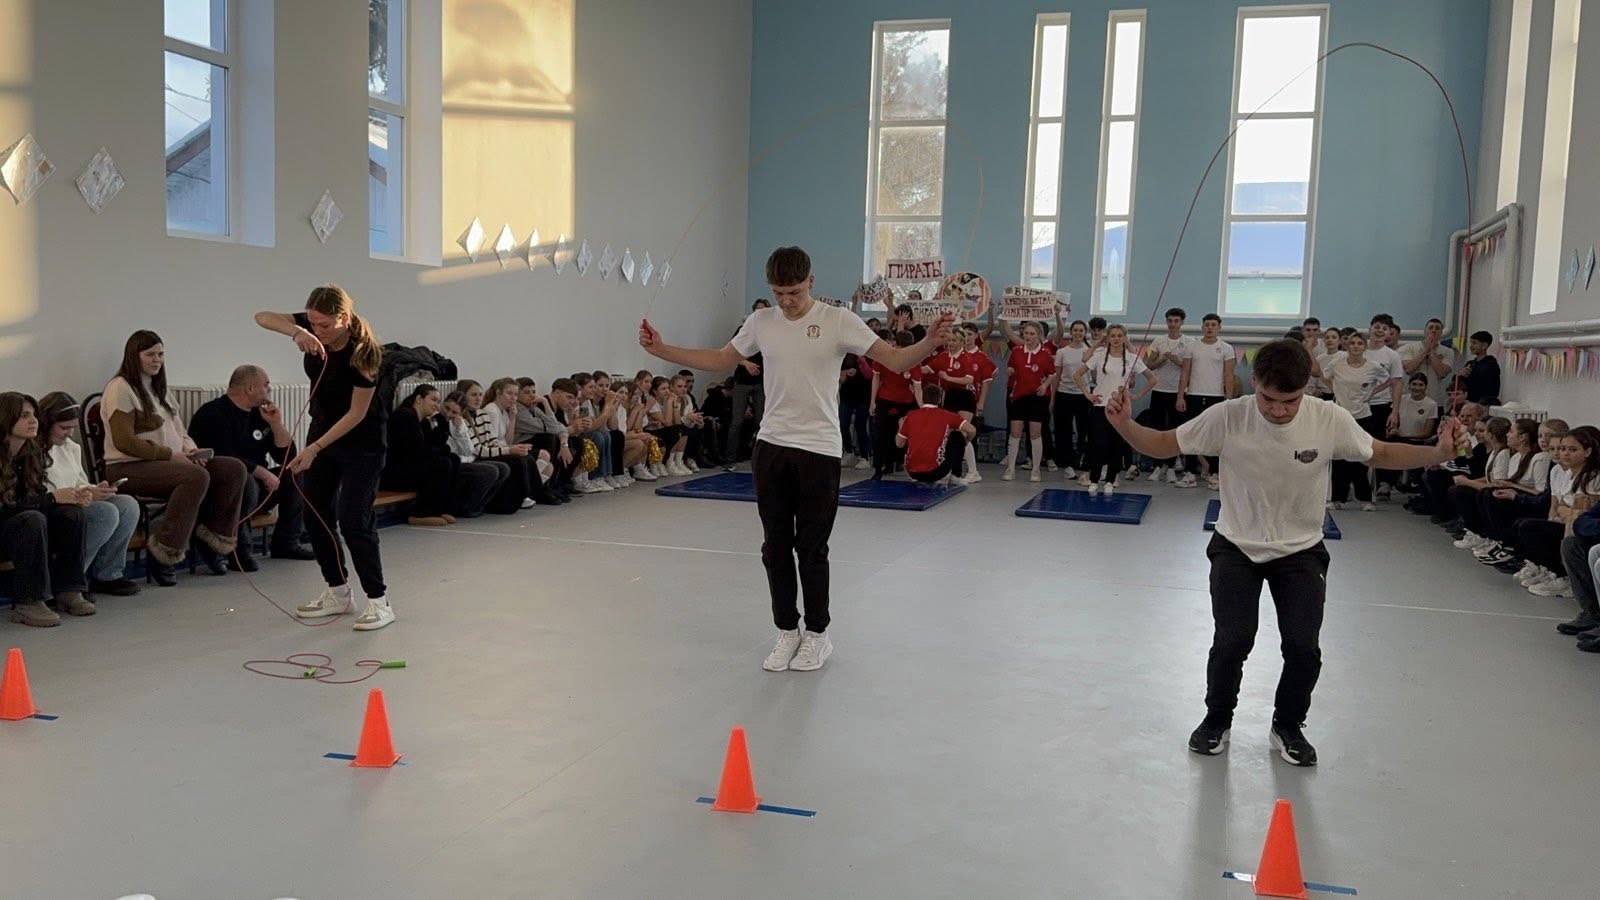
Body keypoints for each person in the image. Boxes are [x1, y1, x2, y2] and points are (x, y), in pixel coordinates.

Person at [1105, 338, 1467, 766]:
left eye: (1290, 401)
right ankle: (1216, 720)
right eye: (1268, 399)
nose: (1278, 410)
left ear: (1306, 389)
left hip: (1301, 550)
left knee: (1303, 647)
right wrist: (1124, 425)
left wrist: (1437, 452)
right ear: (1254, 383)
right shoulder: (1228, 415)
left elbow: (1381, 452)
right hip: (1236, 546)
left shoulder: (1328, 418)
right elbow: (1165, 443)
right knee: (1232, 640)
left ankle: (1288, 725)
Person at [640, 246, 951, 673]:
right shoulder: (761, 322)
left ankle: (817, 634)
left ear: (811, 283)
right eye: (779, 293)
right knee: (774, 547)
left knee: (811, 547)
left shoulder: (838, 320)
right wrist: (662, 350)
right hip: (771, 446)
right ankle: (787, 629)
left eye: (794, 293)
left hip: (819, 449)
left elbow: (895, 360)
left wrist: (929, 342)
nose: (786, 302)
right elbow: (721, 358)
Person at [254, 285, 394, 630]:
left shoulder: (365, 355)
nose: (319, 330)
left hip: (361, 443)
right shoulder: (310, 326)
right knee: (315, 513)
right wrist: (297, 331)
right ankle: (338, 591)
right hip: (322, 434)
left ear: (344, 318)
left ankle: (379, 601)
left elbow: (356, 414)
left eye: (325, 325)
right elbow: (262, 317)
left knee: (354, 519)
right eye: (313, 323)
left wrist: (314, 448)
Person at [101, 330, 248, 584]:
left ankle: (211, 539)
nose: (157, 360)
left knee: (233, 469)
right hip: (128, 467)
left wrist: (191, 451)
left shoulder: (160, 390)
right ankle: (165, 552)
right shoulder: (120, 388)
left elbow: (180, 432)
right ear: (134, 356)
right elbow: (124, 441)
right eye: (150, 354)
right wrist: (171, 455)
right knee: (194, 477)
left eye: (160, 354)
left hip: (169, 462)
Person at [187, 365, 315, 570]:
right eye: (265, 385)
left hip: (258, 487)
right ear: (249, 388)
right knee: (245, 480)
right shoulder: (213, 414)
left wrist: (276, 424)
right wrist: (262, 473)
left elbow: (287, 456)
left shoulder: (259, 414)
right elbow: (223, 456)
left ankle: (287, 541)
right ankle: (238, 550)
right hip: (224, 490)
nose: (269, 390)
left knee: (297, 471)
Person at [0, 393, 93, 626]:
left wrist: (69, 497)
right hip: (6, 527)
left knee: (72, 513)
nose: (34, 421)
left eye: (33, 415)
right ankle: (28, 602)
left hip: (21, 524)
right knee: (31, 519)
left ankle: (68, 590)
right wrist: (51, 499)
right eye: (24, 416)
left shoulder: (30, 453)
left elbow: (34, 496)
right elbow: (7, 508)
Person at [37, 392, 141, 598]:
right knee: (105, 513)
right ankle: (70, 580)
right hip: (55, 507)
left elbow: (79, 481)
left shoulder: (71, 448)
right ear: (46, 423)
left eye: (72, 427)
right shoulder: (34, 450)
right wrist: (80, 494)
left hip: (76, 501)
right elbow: (41, 490)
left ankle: (108, 574)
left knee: (127, 505)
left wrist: (96, 489)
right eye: (64, 428)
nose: (69, 433)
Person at [1074, 324, 1155, 495]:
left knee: (1116, 445)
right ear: (1108, 338)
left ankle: (1111, 480)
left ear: (1125, 338)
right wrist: (1088, 394)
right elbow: (1077, 375)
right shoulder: (1099, 356)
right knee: (1099, 444)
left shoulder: (1132, 358)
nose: (1116, 339)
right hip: (1100, 406)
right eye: (1113, 336)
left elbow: (1152, 379)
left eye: (1120, 336)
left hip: (1120, 408)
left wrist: (1136, 395)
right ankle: (1094, 480)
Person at [1317, 332, 1390, 511]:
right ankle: (1337, 498)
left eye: (1359, 343)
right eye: (1352, 343)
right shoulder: (1337, 364)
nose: (1356, 346)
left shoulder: (1373, 366)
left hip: (1363, 416)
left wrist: (1370, 393)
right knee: (1339, 457)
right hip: (1340, 415)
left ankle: (1366, 498)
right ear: (1347, 346)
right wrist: (1336, 390)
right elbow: (1324, 377)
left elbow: (1390, 380)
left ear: (1364, 347)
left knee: (1363, 455)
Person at [1176, 313, 1235, 490]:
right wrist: (1180, 396)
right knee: (1192, 433)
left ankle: (1214, 473)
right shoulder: (1192, 347)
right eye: (1207, 325)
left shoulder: (1226, 348)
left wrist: (1229, 399)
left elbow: (1229, 375)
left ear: (1219, 328)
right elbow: (1185, 373)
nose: (1209, 328)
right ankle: (1190, 473)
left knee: (1215, 435)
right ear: (1202, 327)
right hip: (1194, 395)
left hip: (1215, 397)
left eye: (1213, 325)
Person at [921, 326, 982, 483]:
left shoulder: (966, 358)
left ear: (962, 342)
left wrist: (948, 378)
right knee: (950, 434)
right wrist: (909, 366)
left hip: (965, 396)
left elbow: (969, 379)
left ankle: (973, 471)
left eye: (954, 340)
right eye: (948, 340)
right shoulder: (943, 356)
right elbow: (927, 369)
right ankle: (952, 470)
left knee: (962, 433)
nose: (950, 343)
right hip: (949, 396)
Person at [1001, 323, 1055, 483]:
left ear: (1038, 336)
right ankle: (1010, 469)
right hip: (1019, 396)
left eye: (1032, 334)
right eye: (1026, 333)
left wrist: (1044, 386)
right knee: (1015, 433)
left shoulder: (1045, 354)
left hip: (1037, 398)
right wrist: (1010, 371)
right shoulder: (1017, 351)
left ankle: (1036, 470)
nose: (1028, 336)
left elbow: (1052, 374)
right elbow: (1011, 368)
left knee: (1035, 433)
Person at [1143, 308, 1191, 484]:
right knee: (1157, 428)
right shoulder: (1159, 341)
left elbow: (1191, 368)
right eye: (1170, 320)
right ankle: (1157, 466)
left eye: (1176, 321)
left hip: (1178, 392)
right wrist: (1161, 360)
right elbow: (1149, 365)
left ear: (1182, 322)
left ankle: (1171, 467)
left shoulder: (1189, 342)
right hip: (1159, 390)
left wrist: (1178, 361)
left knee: (1174, 429)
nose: (1173, 324)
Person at [896, 384, 977, 486]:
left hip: (912, 473)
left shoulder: (910, 416)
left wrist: (901, 426)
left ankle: (914, 463)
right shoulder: (947, 415)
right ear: (939, 399)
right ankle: (956, 475)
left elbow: (899, 444)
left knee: (906, 435)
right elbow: (972, 430)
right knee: (957, 436)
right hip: (935, 472)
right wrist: (965, 442)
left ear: (923, 398)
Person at [724, 299, 770, 465]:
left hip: (761, 381)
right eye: (757, 310)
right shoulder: (743, 330)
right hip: (743, 380)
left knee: (762, 421)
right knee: (737, 421)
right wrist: (746, 363)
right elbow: (731, 353)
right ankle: (730, 458)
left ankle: (760, 459)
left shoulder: (772, 332)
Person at [1051, 320, 1093, 479]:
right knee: (1064, 431)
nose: (1078, 333)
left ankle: (1082, 461)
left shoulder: (1089, 351)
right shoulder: (1062, 352)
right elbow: (1056, 376)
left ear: (1085, 333)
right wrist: (1053, 399)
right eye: (1075, 330)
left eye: (1081, 330)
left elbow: (1094, 375)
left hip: (1083, 395)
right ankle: (1067, 465)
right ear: (1071, 332)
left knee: (1084, 430)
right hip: (1064, 394)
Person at [1400, 318, 1456, 402]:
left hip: (1435, 399)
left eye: (1437, 328)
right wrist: (1426, 350)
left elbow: (1442, 373)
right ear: (1425, 331)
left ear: (1441, 333)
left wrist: (1432, 352)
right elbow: (1409, 369)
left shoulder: (1448, 352)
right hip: (1411, 399)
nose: (1434, 330)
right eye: (1431, 327)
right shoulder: (1409, 348)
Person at [1457, 330, 1501, 404]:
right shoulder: (1470, 364)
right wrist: (1459, 375)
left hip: (1483, 404)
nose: (1471, 346)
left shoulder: (1491, 364)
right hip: (1468, 402)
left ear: (1484, 346)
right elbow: (1459, 384)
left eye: (1474, 343)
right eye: (1471, 343)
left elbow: (1487, 386)